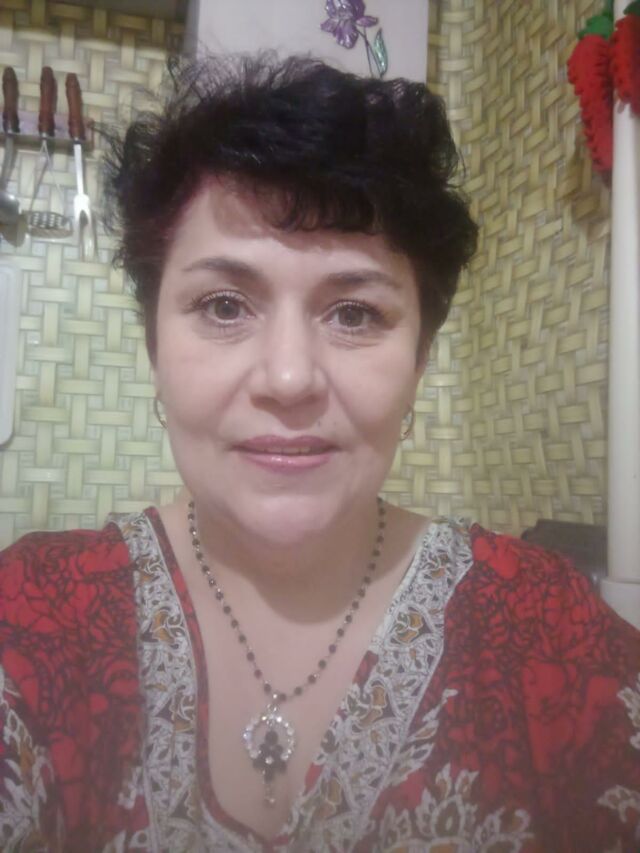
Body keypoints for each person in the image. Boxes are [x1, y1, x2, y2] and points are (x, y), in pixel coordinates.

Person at [0, 53, 638, 853]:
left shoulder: (548, 630)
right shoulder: (33, 615)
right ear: (154, 345)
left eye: (355, 313)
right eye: (224, 305)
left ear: (421, 356)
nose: (289, 378)